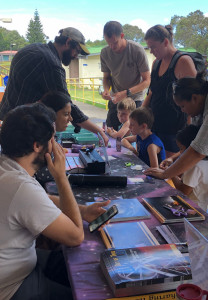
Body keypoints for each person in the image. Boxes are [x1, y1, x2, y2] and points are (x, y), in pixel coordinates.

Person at [0, 103, 110, 300]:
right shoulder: (20, 187)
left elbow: (39, 199)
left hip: (19, 263)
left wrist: (82, 210)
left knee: (73, 264)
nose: (55, 144)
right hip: (13, 285)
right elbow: (76, 236)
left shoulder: (7, 168)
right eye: (52, 138)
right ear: (37, 146)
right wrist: (60, 177)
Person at [0, 27, 108, 145]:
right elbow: (66, 104)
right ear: (68, 42)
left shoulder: (33, 48)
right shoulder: (51, 63)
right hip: (23, 129)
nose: (76, 56)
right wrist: (98, 131)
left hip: (8, 120)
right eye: (76, 51)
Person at [143, 72, 208, 213]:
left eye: (182, 106)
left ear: (194, 98)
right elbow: (192, 146)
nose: (184, 112)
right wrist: (172, 159)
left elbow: (198, 150)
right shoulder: (201, 107)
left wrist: (166, 174)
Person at [142, 24, 197, 157]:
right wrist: (140, 115)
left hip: (174, 129)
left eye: (153, 47)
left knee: (170, 170)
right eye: (149, 48)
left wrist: (190, 132)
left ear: (166, 42)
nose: (151, 51)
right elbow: (151, 92)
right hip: (155, 125)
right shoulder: (156, 63)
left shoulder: (183, 61)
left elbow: (194, 99)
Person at [100, 21, 150, 130]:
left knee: (133, 132)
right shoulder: (104, 53)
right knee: (110, 130)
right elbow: (106, 77)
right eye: (108, 43)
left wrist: (126, 93)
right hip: (115, 99)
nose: (112, 47)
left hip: (134, 99)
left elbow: (147, 81)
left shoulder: (137, 50)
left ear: (122, 36)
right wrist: (106, 90)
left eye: (115, 43)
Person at [171, 125, 208, 211]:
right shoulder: (206, 160)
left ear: (191, 148)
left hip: (193, 209)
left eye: (181, 148)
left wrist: (171, 173)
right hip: (199, 205)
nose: (180, 152)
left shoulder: (194, 166)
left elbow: (183, 192)